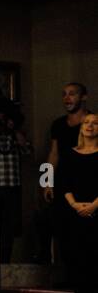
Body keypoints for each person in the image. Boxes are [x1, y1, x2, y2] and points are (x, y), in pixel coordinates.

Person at [41, 82, 91, 263]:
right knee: (62, 227)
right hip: (63, 182)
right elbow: (53, 153)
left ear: (83, 97)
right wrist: (46, 182)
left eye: (72, 94)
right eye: (64, 94)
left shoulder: (92, 121)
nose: (67, 98)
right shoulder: (58, 124)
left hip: (87, 182)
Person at [58, 112, 98, 293]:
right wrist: (75, 205)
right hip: (74, 212)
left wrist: (94, 205)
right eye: (86, 123)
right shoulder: (69, 153)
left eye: (94, 123)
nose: (90, 126)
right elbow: (62, 182)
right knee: (78, 257)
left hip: (97, 210)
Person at [0, 104, 32, 263]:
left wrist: (14, 129)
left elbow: (28, 150)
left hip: (12, 187)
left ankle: (6, 260)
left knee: (9, 227)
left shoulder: (16, 135)